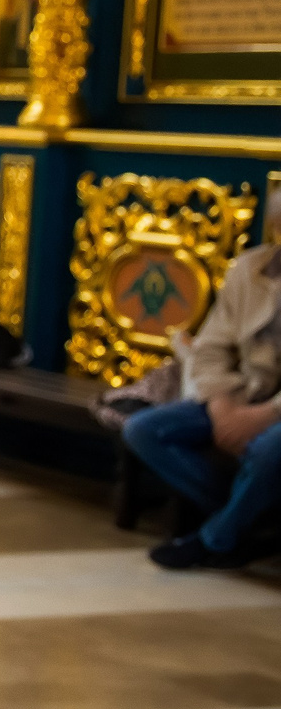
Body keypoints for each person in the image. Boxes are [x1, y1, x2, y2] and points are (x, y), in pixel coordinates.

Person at [125, 239, 281, 569]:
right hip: (243, 393)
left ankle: (216, 539)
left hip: (275, 412)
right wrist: (221, 404)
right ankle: (249, 524)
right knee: (144, 429)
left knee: (270, 448)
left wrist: (267, 414)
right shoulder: (250, 269)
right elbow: (210, 348)